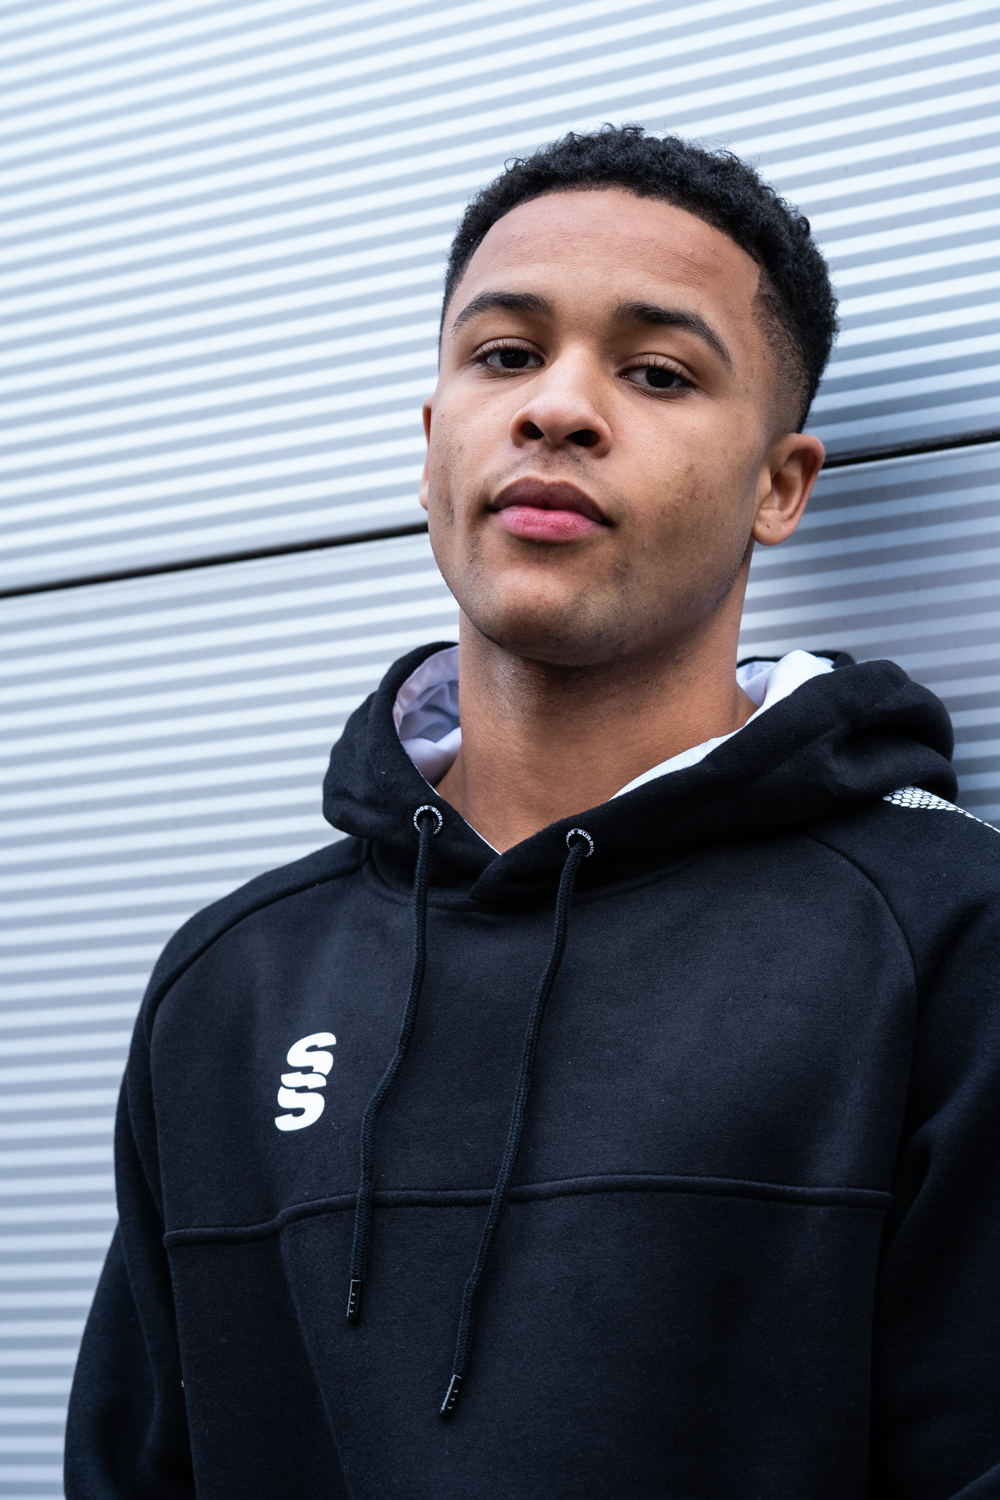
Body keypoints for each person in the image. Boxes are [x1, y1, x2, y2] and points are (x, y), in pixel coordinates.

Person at [66, 126, 1000, 1499]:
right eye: (504, 355)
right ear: (431, 443)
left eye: (657, 372)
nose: (558, 409)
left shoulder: (946, 938)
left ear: (779, 486)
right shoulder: (232, 984)